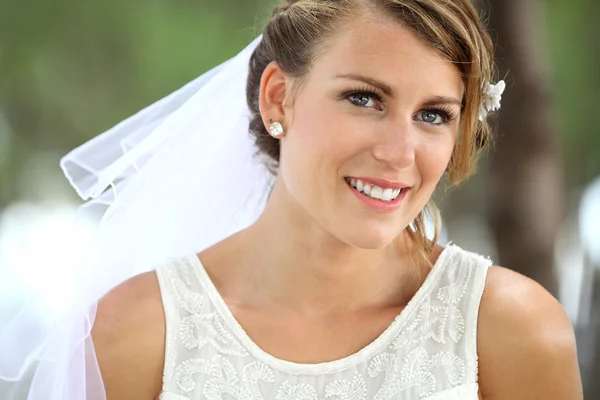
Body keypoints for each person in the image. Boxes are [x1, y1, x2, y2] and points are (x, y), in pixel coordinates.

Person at [0, 0, 582, 399]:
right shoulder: (135, 333)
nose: (401, 152)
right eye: (364, 99)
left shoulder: (512, 330)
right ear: (279, 98)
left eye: (433, 115)